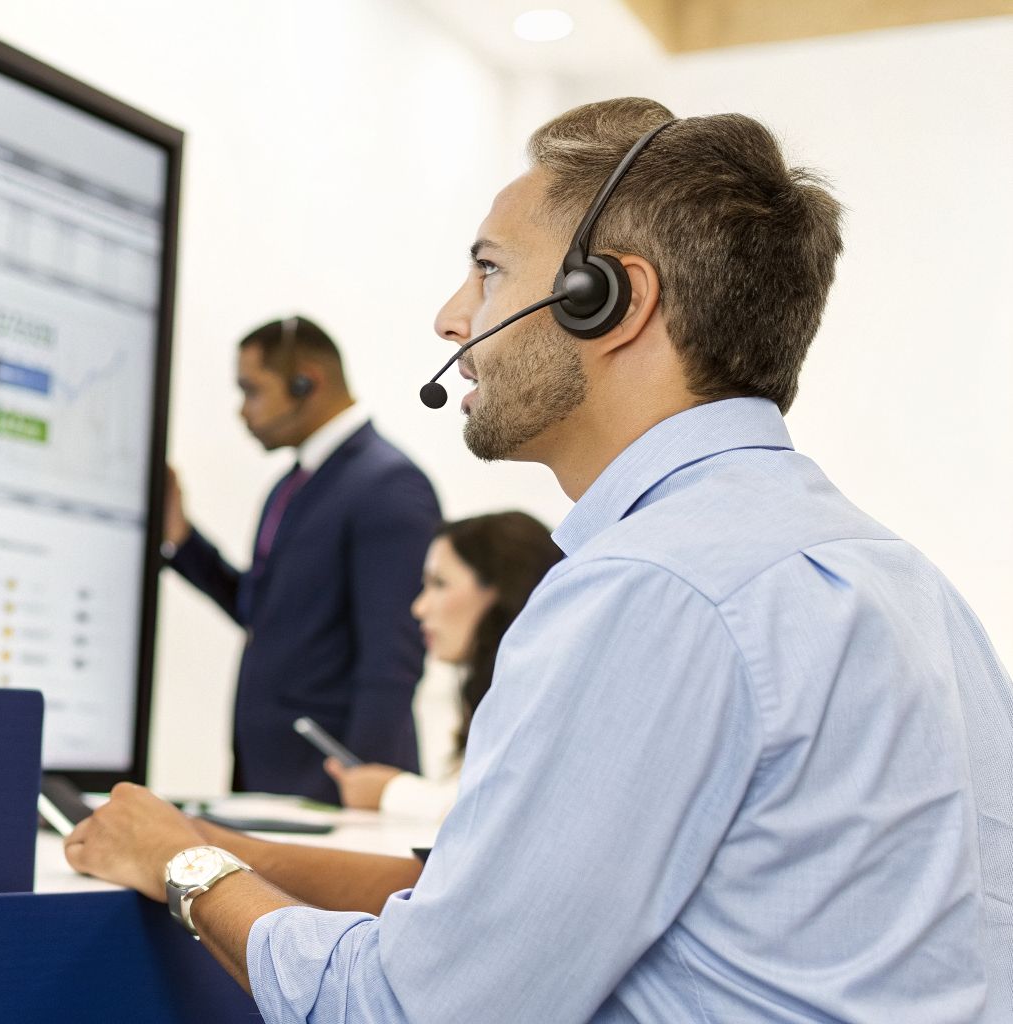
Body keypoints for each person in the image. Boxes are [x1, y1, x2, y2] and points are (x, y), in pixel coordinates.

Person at [66, 97, 1012, 1021]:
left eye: (487, 270)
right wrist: (221, 843)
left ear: (608, 300)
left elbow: (403, 1008)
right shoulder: (901, 577)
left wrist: (185, 867)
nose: (450, 319)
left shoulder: (649, 588)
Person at [163, 316, 441, 803]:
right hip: (273, 782)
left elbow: (392, 661)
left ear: (305, 382)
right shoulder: (294, 485)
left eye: (251, 390)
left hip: (333, 790)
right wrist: (181, 538)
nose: (242, 411)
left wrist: (364, 788)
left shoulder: (389, 485)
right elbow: (263, 613)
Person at [325, 511, 563, 820]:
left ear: (503, 589)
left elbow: (495, 811)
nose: (419, 607)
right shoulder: (487, 690)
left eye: (439, 584)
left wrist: (391, 792)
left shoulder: (543, 695)